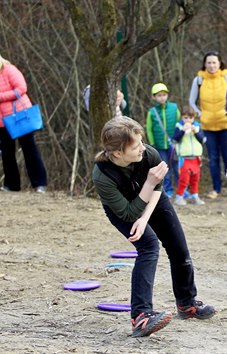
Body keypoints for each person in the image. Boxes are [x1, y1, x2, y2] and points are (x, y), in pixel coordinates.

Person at [92, 116, 216, 337]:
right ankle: (140, 316)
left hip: (153, 199)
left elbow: (157, 187)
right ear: (119, 153)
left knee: (178, 246)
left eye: (141, 142)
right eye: (135, 146)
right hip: (123, 209)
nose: (142, 148)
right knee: (148, 246)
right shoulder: (102, 175)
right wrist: (146, 189)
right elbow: (129, 212)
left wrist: (145, 216)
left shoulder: (148, 154)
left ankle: (187, 304)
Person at [0, 46, 47, 192]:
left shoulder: (8, 69)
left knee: (29, 149)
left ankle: (39, 184)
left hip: (19, 116)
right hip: (1, 120)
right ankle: (11, 185)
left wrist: (0, 98)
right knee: (7, 152)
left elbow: (21, 88)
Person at [189, 51, 227, 199]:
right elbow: (191, 101)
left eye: (214, 62)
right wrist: (200, 114)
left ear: (220, 63)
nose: (211, 65)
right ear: (205, 64)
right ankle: (216, 189)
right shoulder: (199, 80)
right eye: (208, 62)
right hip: (207, 126)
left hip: (226, 125)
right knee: (214, 159)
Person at [146, 82, 180, 198]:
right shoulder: (152, 112)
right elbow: (149, 129)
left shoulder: (174, 108)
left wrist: (178, 139)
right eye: (159, 95)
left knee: (177, 166)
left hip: (174, 145)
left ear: (167, 95)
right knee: (165, 169)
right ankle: (168, 190)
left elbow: (179, 123)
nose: (162, 97)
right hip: (160, 146)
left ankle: (182, 189)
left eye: (164, 95)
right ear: (153, 97)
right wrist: (152, 144)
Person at [172, 107, 206, 206]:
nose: (188, 120)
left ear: (194, 118)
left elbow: (203, 140)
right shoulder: (179, 126)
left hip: (196, 158)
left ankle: (195, 196)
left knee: (195, 179)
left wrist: (196, 132)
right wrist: (183, 131)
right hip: (184, 157)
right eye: (185, 118)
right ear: (182, 117)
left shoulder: (197, 126)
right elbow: (174, 139)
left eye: (190, 118)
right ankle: (179, 197)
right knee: (184, 179)